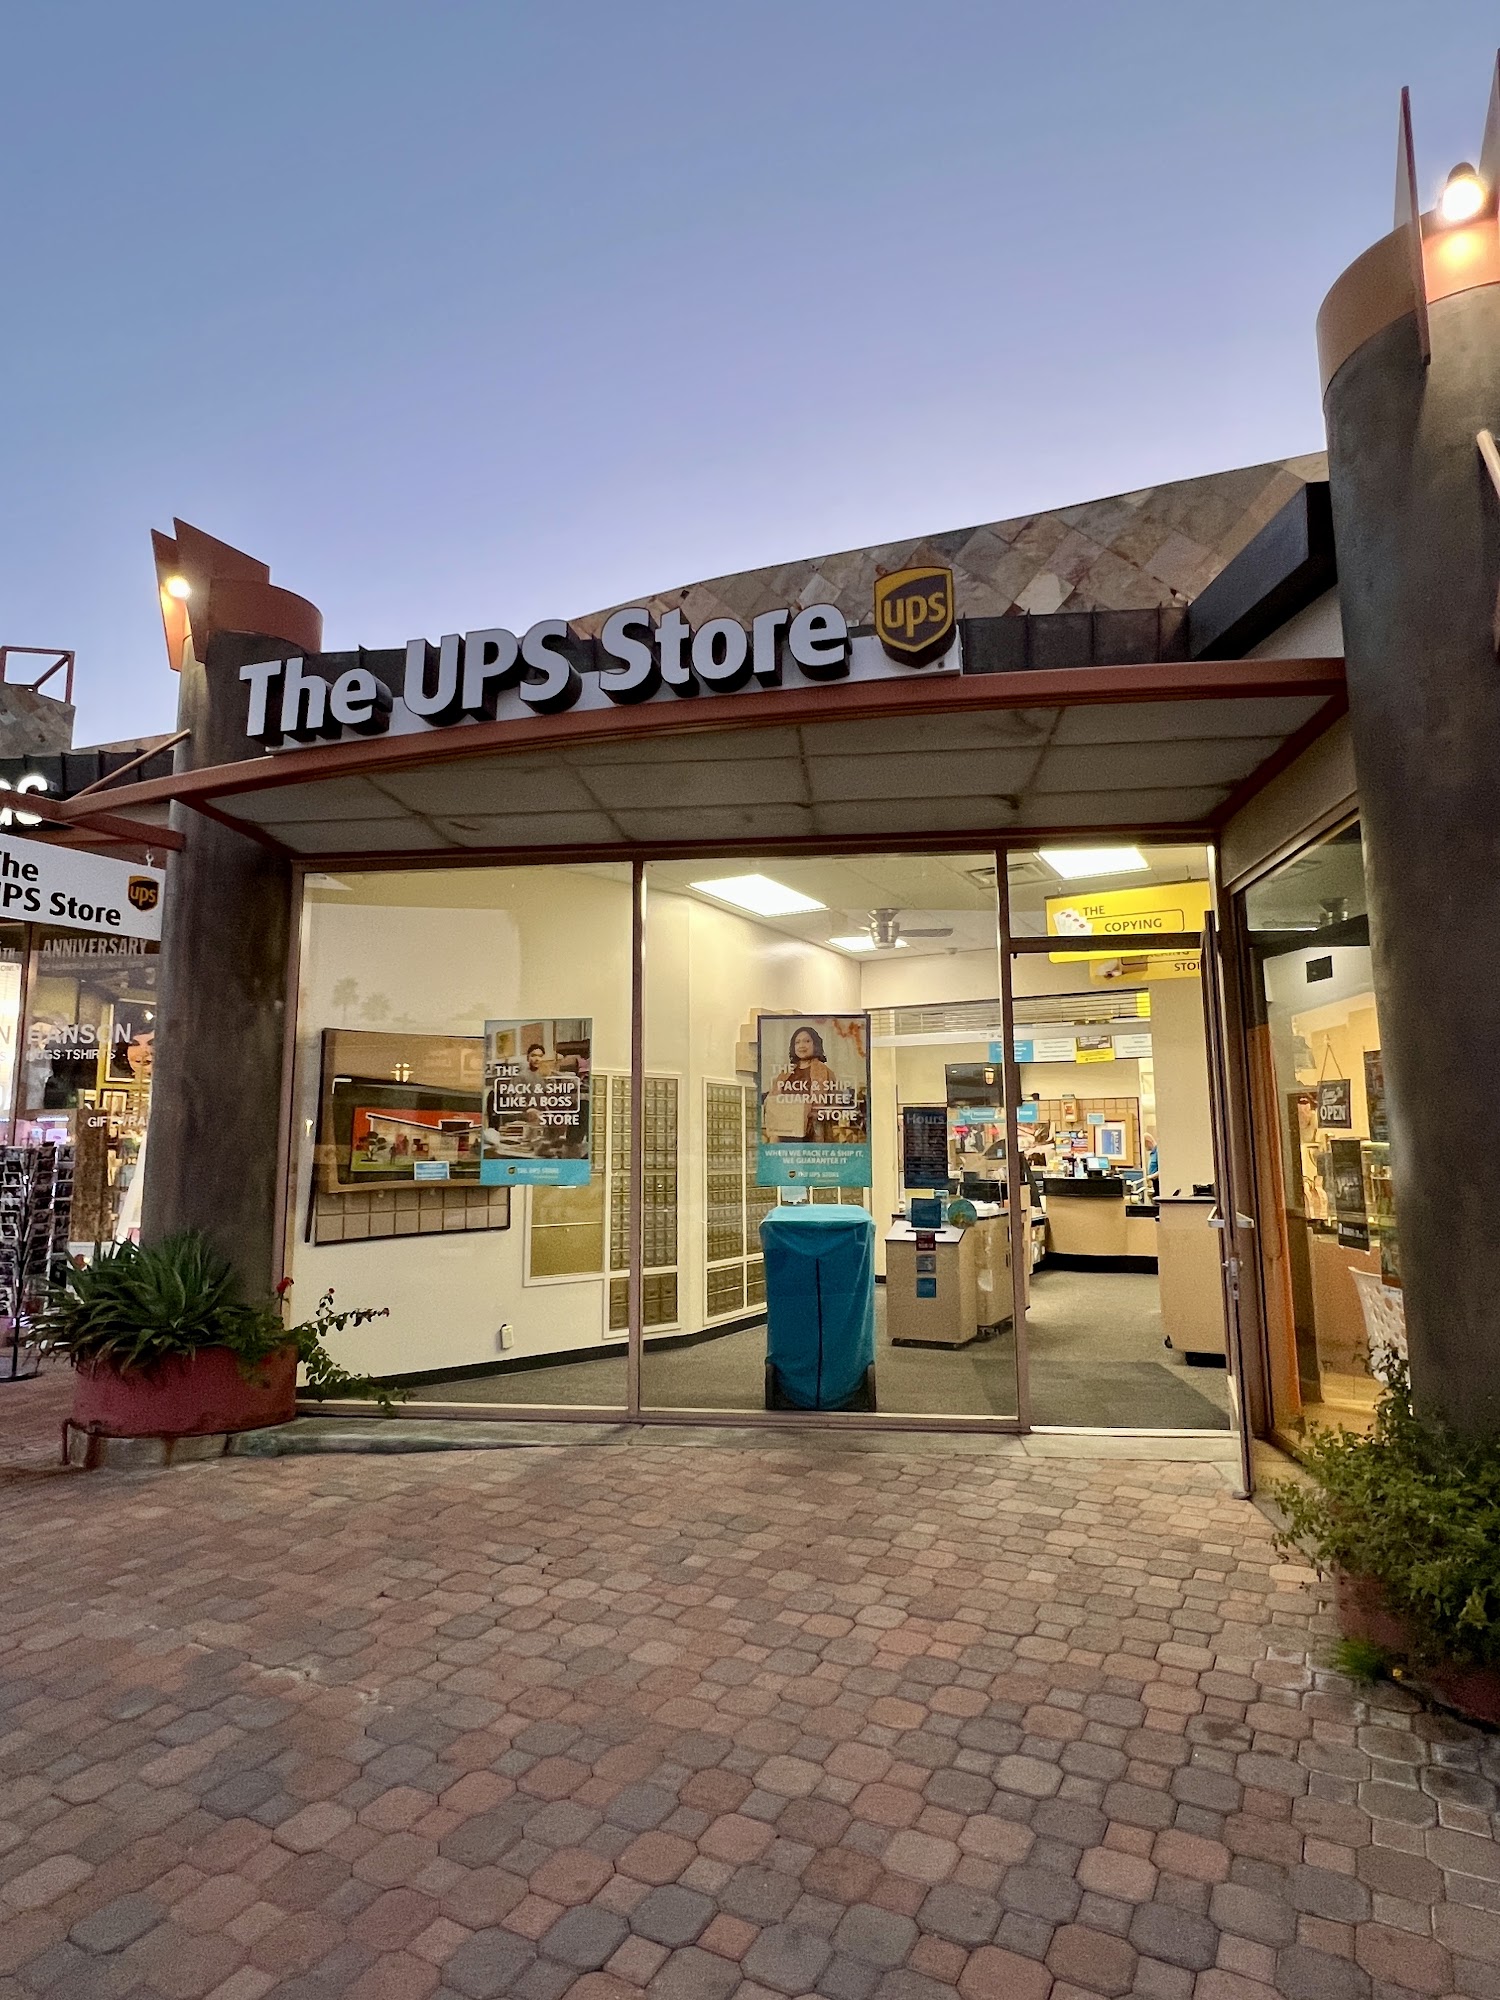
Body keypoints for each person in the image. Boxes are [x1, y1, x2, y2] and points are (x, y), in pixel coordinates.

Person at [762, 1024, 844, 1143]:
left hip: (813, 1135)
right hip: (784, 1134)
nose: (802, 1045)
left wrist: (817, 1115)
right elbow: (771, 1101)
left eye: (807, 1041)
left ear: (815, 1044)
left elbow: (836, 1107)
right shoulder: (785, 1073)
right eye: (797, 1042)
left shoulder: (826, 1072)